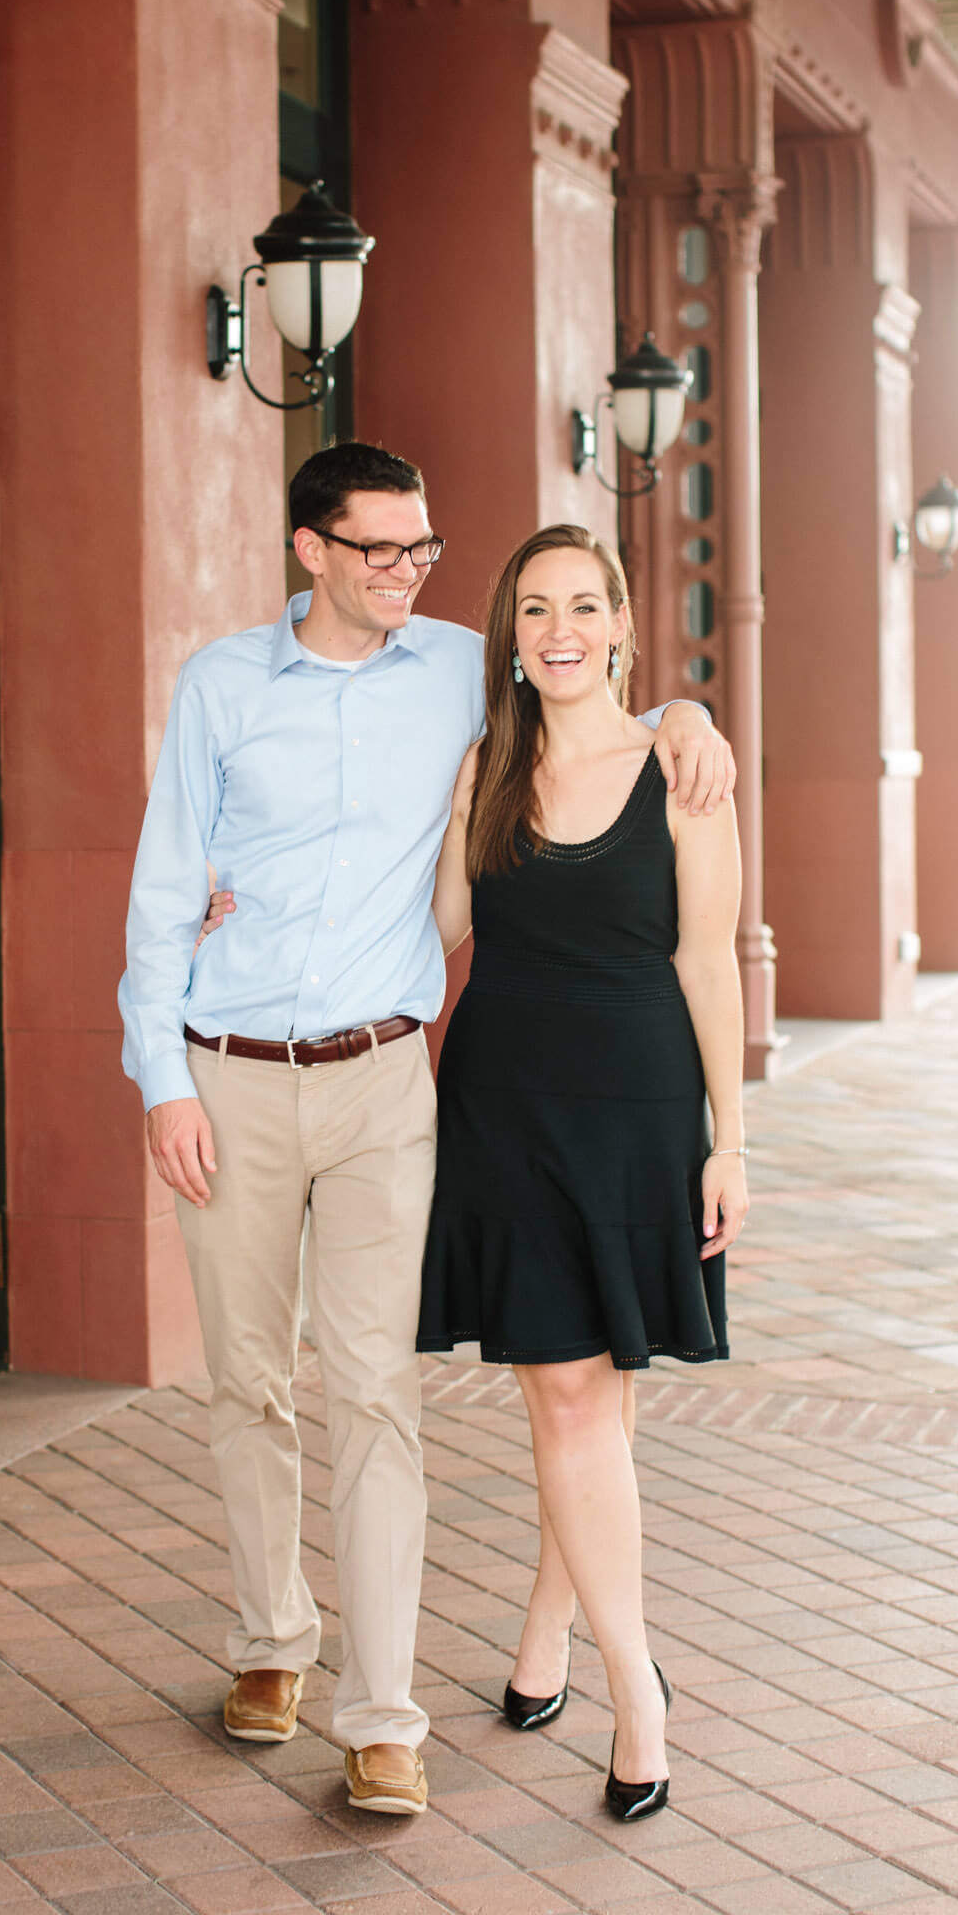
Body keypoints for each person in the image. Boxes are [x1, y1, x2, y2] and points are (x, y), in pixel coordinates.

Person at [118, 443, 733, 1820]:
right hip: (228, 1073)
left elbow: (593, 674)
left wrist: (690, 713)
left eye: (423, 550)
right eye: (380, 550)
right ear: (311, 551)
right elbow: (165, 892)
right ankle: (274, 1637)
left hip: (394, 1076)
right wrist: (156, 1075)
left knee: (382, 1389)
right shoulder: (224, 684)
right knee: (248, 1381)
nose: (408, 572)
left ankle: (385, 1716)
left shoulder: (464, 660)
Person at [417, 522, 748, 1821]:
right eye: (535, 608)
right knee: (569, 1394)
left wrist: (733, 1139)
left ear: (619, 622)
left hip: (641, 1110)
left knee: (591, 1399)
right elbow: (441, 928)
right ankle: (638, 1686)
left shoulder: (681, 769)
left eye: (583, 605)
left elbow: (709, 959)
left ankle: (556, 1634)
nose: (559, 628)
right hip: (504, 1109)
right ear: (512, 634)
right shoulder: (483, 770)